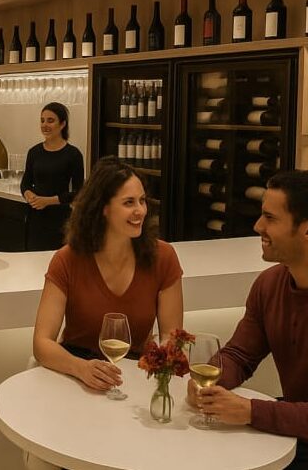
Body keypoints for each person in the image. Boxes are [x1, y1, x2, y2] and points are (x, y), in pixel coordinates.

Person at [188, 170, 308, 469]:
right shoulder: (269, 284)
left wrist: (252, 411)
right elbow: (240, 355)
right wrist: (209, 381)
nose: (258, 226)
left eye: (271, 218)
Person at [33, 156, 183, 391]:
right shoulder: (67, 260)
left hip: (134, 377)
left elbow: (171, 336)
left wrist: (162, 360)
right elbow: (41, 344)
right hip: (74, 376)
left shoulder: (164, 257)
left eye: (142, 201)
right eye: (129, 203)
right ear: (103, 208)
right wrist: (81, 369)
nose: (140, 211)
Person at [20, 102, 85, 251]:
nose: (45, 125)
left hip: (59, 219)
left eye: (50, 120)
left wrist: (48, 201)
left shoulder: (73, 154)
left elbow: (78, 193)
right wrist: (29, 195)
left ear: (62, 124)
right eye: (42, 120)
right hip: (35, 216)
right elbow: (25, 184)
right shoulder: (34, 152)